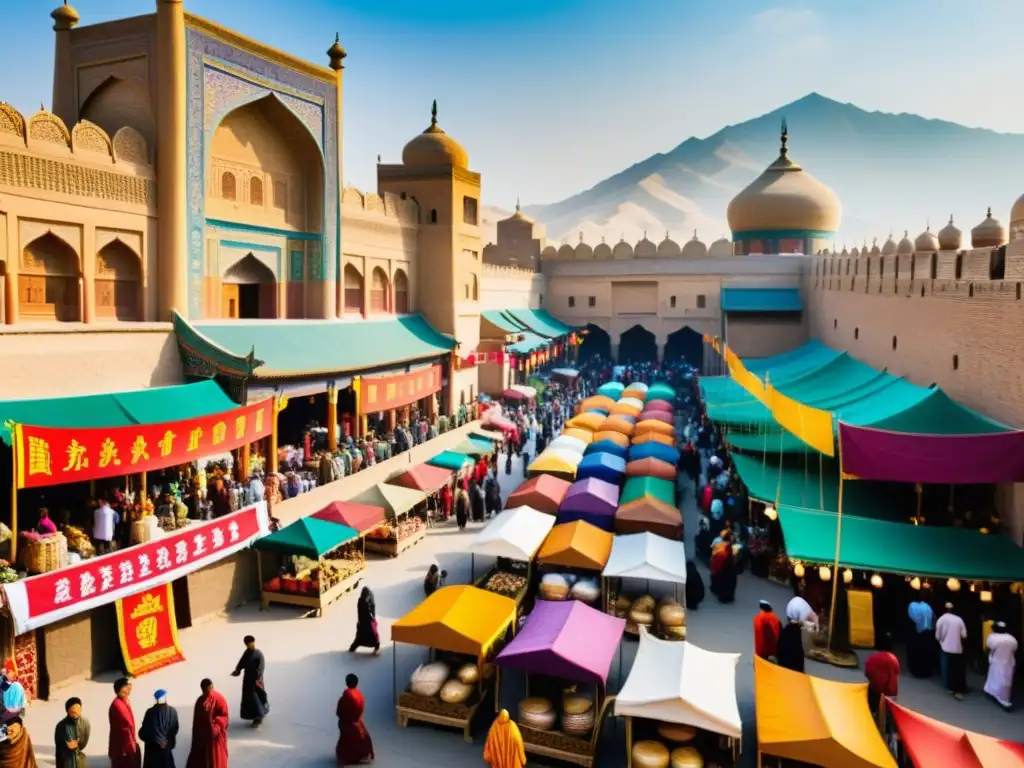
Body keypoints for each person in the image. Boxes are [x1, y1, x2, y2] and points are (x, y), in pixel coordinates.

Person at [185, 679, 228, 768]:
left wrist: (216, 726)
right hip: (202, 736)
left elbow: (224, 716)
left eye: (210, 690)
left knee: (215, 759)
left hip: (214, 737)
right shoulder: (200, 701)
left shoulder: (219, 699)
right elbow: (196, 720)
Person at [335, 674, 374, 765]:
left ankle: (346, 758)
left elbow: (339, 712)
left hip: (346, 722)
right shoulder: (360, 695)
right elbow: (361, 709)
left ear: (346, 683)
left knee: (345, 739)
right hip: (357, 721)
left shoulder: (344, 698)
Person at [232, 635, 269, 727]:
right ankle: (252, 715)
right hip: (248, 679)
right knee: (249, 699)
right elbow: (242, 662)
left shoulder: (258, 654)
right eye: (248, 644)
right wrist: (238, 670)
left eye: (251, 643)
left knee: (257, 697)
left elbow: (261, 667)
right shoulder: (247, 653)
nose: (250, 645)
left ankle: (259, 717)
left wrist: (257, 678)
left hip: (256, 680)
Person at [864, 633, 900, 727]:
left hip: (874, 690)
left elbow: (867, 673)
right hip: (889, 694)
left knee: (872, 713)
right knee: (888, 720)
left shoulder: (872, 659)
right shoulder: (893, 659)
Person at [139, 689, 179, 768]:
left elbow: (144, 733)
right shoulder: (172, 711)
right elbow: (174, 729)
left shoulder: (150, 712)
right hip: (166, 751)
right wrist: (167, 742)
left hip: (152, 753)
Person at [935, 602, 967, 699]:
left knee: (945, 667)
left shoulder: (941, 619)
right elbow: (964, 635)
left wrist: (941, 641)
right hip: (957, 649)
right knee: (957, 669)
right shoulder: (959, 619)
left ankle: (948, 686)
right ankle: (957, 687)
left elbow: (937, 635)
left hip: (945, 647)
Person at [983, 620, 1017, 711]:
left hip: (996, 661)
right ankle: (1001, 697)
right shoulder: (1011, 638)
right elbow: (1015, 649)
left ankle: (996, 695)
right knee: (1006, 680)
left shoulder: (993, 637)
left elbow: (988, 647)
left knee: (994, 677)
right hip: (1009, 662)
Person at [109, 677, 141, 768]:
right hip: (123, 745)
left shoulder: (123, 700)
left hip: (125, 742)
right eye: (124, 691)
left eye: (127, 690)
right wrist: (131, 744)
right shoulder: (118, 706)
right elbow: (126, 727)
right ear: (118, 692)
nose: (127, 692)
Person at [54, 697, 90, 768]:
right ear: (67, 711)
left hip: (79, 761)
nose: (76, 713)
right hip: (66, 761)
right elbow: (58, 746)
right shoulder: (61, 726)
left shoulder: (85, 723)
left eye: (78, 710)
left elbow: (84, 741)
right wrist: (66, 744)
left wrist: (78, 745)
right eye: (73, 710)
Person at [906, 597, 937, 678]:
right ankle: (926, 671)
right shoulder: (927, 607)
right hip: (927, 634)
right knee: (926, 653)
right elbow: (934, 618)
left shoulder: (912, 606)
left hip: (916, 635)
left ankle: (916, 671)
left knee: (916, 653)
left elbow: (911, 618)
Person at [349, 588, 381, 656]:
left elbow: (361, 611)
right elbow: (372, 609)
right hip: (368, 622)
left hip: (363, 622)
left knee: (359, 638)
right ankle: (376, 648)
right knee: (372, 635)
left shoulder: (361, 600)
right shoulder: (368, 599)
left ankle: (352, 648)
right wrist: (373, 617)